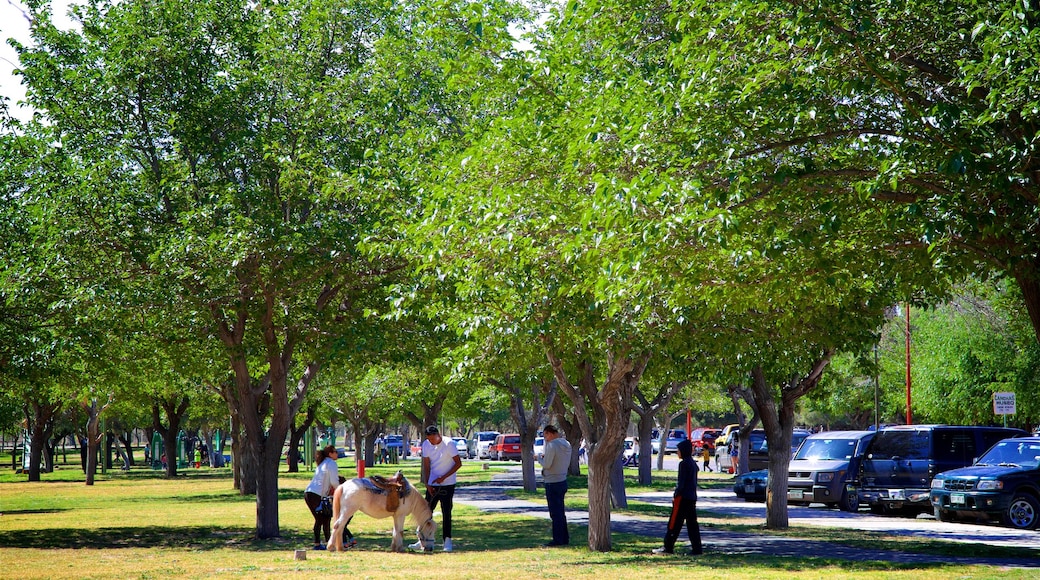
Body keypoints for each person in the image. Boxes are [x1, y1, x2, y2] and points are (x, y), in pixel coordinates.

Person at [410, 425, 461, 552]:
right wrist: (427, 483)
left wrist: (444, 477)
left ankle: (447, 541)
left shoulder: (449, 444)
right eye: (429, 439)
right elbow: (426, 465)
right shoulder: (426, 445)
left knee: (446, 512)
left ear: (438, 434)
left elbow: (458, 463)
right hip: (433, 483)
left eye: (433, 439)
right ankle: (422, 539)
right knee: (426, 513)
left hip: (447, 483)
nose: (431, 442)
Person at [653, 439, 702, 555]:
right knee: (692, 524)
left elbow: (681, 484)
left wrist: (675, 495)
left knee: (674, 523)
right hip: (691, 497)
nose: (677, 452)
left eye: (678, 450)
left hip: (682, 498)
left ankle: (668, 547)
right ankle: (697, 548)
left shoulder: (683, 464)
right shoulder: (693, 463)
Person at [305, 445, 354, 550]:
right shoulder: (331, 463)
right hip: (315, 494)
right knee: (320, 519)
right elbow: (334, 482)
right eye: (335, 452)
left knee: (325, 518)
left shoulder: (323, 462)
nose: (337, 453)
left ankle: (328, 543)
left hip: (310, 493)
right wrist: (342, 492)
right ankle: (318, 544)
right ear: (330, 454)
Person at [537, 424, 572, 547]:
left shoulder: (552, 445)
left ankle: (557, 539)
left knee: (555, 513)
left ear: (550, 433)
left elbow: (547, 464)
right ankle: (564, 537)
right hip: (562, 480)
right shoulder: (566, 444)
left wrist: (539, 459)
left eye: (546, 435)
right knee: (561, 511)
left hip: (552, 481)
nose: (545, 439)